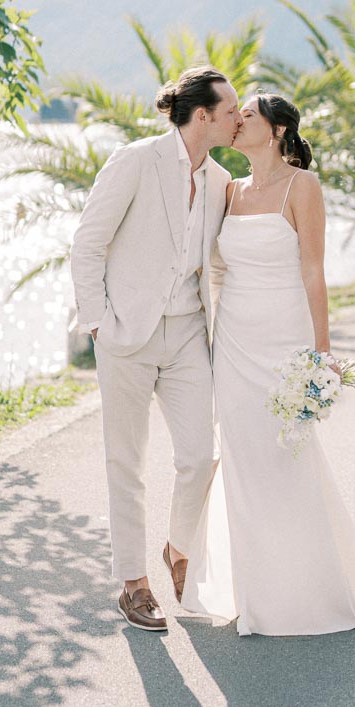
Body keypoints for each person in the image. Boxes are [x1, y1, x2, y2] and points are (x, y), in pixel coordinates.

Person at [182, 92, 355, 636]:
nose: (238, 123)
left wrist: (321, 354)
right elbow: (216, 270)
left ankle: (312, 589)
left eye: (249, 116)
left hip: (283, 343)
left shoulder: (302, 187)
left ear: (278, 130)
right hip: (234, 341)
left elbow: (313, 271)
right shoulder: (229, 191)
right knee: (242, 459)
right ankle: (255, 593)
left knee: (286, 456)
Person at [70, 66, 241, 632]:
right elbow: (88, 244)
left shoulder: (220, 182)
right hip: (125, 333)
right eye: (232, 110)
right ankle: (133, 583)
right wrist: (98, 322)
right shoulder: (136, 160)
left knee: (199, 455)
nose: (240, 118)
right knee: (127, 460)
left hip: (190, 332)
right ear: (202, 116)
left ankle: (179, 550)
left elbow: (215, 264)